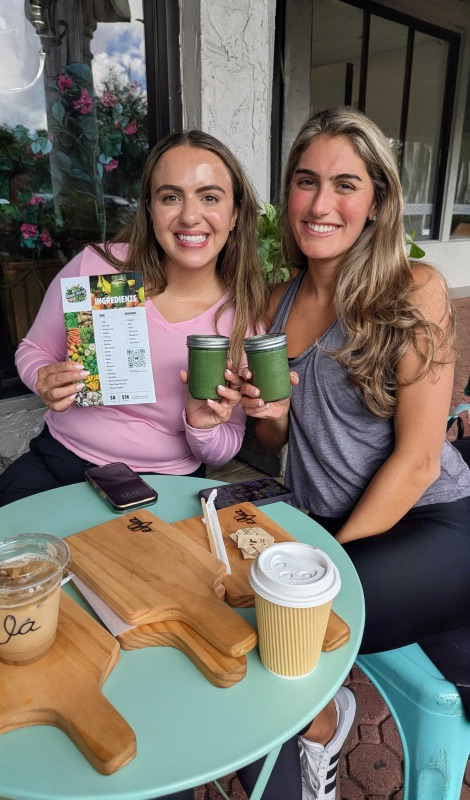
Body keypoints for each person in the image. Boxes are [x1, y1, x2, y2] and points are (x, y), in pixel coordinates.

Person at [237, 106, 470, 800]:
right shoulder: (275, 303)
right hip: (337, 533)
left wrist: (326, 560)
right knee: (257, 619)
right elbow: (274, 446)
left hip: (435, 523)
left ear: (376, 201)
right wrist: (269, 419)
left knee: (285, 626)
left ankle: (313, 745)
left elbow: (420, 461)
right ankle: (314, 728)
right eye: (306, 182)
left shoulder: (413, 291)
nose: (321, 203)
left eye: (346, 184)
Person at [0, 130, 267, 507]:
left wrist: (200, 424)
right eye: (171, 197)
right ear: (150, 208)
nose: (190, 216)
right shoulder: (101, 267)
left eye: (209, 197)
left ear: (235, 213)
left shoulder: (242, 319)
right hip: (59, 461)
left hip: (164, 485)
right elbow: (34, 350)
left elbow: (224, 448)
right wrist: (43, 379)